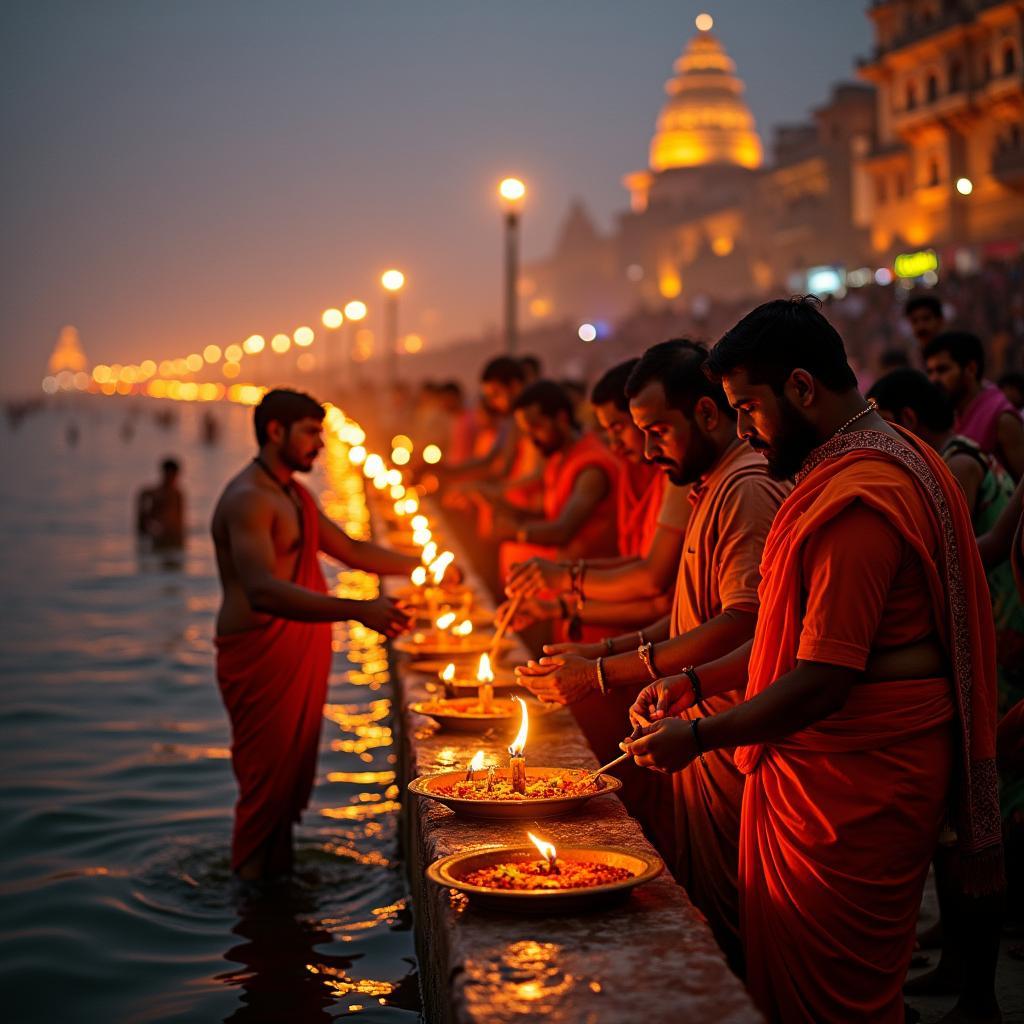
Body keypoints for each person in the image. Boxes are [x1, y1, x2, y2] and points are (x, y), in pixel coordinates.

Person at [624, 298, 1002, 1023]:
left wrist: (700, 735)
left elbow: (823, 678)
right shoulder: (885, 455)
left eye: (747, 409)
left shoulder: (860, 499)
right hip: (848, 767)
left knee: (837, 1003)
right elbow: (786, 640)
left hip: (853, 784)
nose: (742, 431)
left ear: (801, 388)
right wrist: (693, 683)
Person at [519, 341, 789, 971]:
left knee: (739, 920)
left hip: (725, 724)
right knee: (705, 903)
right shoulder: (711, 486)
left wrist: (602, 672)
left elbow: (743, 623)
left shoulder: (746, 488)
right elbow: (690, 614)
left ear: (708, 413)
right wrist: (600, 649)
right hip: (693, 717)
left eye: (656, 430)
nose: (644, 451)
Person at [211, 389, 421, 883]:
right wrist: (360, 610)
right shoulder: (248, 500)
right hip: (258, 656)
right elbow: (262, 590)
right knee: (263, 791)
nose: (320, 446)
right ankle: (253, 910)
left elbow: (349, 549)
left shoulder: (293, 494)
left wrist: (428, 566)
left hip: (296, 651)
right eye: (310, 433)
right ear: (275, 432)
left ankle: (278, 896)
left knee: (285, 792)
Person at [503, 359, 684, 635]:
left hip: (629, 626)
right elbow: (636, 559)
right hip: (600, 603)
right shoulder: (631, 470)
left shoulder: (598, 467)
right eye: (607, 432)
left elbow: (654, 586)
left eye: (619, 428)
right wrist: (561, 592)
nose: (613, 444)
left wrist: (563, 578)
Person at [924, 330, 1024, 480]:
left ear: (971, 368)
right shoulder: (951, 413)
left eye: (942, 370)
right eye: (930, 372)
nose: (934, 379)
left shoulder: (1002, 419)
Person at [137, 458, 185, 548]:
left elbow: (181, 517)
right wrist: (146, 526)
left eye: (173, 475)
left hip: (172, 534)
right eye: (169, 474)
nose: (171, 478)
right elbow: (142, 516)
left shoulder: (177, 494)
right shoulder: (152, 492)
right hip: (156, 533)